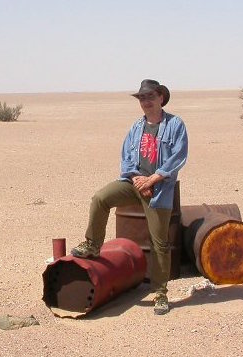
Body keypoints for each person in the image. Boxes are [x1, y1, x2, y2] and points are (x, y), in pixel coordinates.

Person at [71, 79, 188, 315]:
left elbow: (178, 157)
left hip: (159, 190)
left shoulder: (175, 124)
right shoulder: (136, 127)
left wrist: (152, 180)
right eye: (142, 98)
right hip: (134, 183)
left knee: (160, 243)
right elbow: (126, 158)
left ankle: (160, 293)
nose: (146, 101)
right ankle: (93, 244)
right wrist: (137, 179)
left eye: (150, 97)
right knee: (101, 198)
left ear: (161, 98)